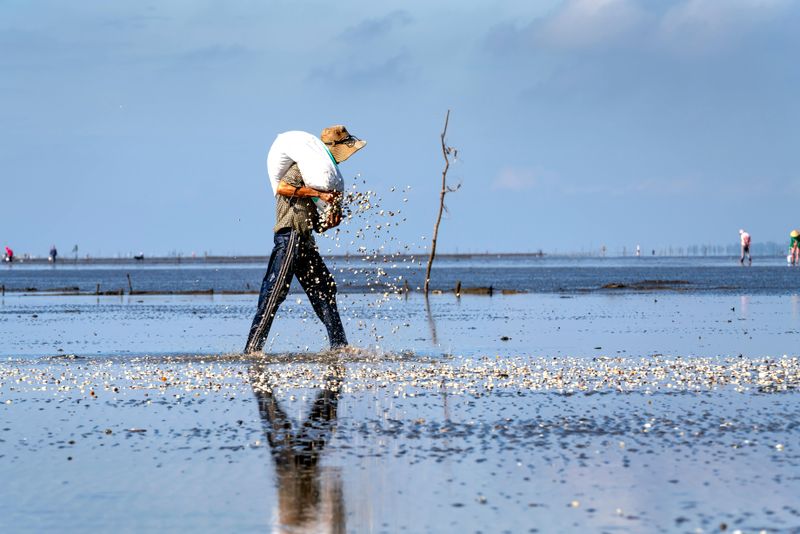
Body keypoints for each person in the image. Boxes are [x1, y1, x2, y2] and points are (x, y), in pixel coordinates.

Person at [244, 125, 366, 353]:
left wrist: (330, 222)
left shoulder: (319, 174)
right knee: (274, 292)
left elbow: (317, 226)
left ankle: (339, 346)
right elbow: (282, 187)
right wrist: (318, 194)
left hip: (305, 240)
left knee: (325, 289)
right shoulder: (302, 168)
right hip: (289, 235)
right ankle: (252, 349)